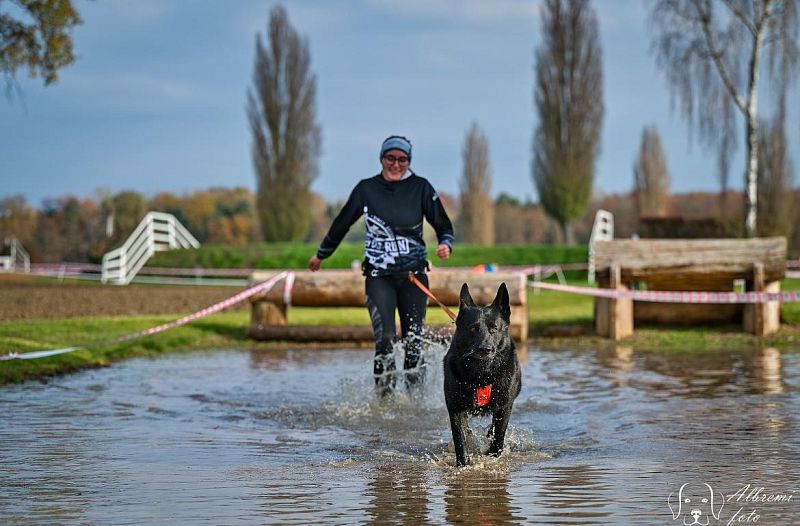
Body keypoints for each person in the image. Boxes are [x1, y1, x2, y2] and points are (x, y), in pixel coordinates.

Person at [308, 135, 454, 394]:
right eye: (390, 158)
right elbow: (342, 223)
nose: (396, 164)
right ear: (381, 159)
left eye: (402, 159)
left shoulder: (421, 187)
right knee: (385, 341)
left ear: (409, 162)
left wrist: (445, 243)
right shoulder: (366, 189)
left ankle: (415, 403)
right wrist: (322, 254)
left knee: (413, 343)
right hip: (379, 277)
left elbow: (443, 224)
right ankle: (385, 404)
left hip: (414, 277)